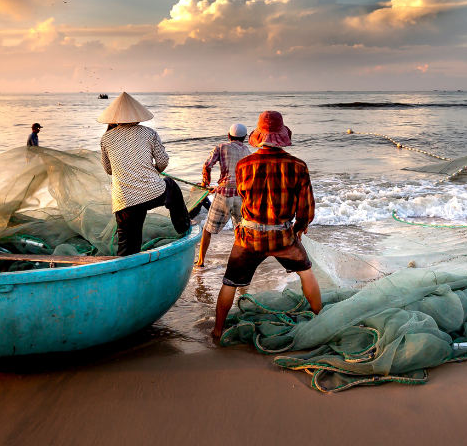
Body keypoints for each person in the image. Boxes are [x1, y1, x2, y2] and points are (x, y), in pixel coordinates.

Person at [212, 111, 323, 338]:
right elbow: (306, 209)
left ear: (258, 136)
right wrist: (298, 229)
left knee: (230, 282)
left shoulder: (243, 165)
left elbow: (244, 195)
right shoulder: (298, 166)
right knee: (306, 273)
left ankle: (217, 330)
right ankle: (320, 322)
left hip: (249, 237)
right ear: (282, 136)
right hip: (283, 236)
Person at [98, 92, 190, 256]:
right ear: (137, 116)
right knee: (171, 186)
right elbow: (162, 162)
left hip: (124, 201)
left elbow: (108, 169)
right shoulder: (149, 133)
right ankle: (183, 226)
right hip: (152, 193)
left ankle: (124, 274)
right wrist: (153, 170)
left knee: (127, 248)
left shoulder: (106, 138)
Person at [196, 123, 251, 266]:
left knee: (208, 229)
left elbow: (207, 165)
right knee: (240, 231)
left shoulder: (221, 147)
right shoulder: (248, 152)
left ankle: (201, 262)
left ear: (229, 136)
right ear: (244, 138)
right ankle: (241, 261)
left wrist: (205, 184)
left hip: (223, 194)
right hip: (241, 195)